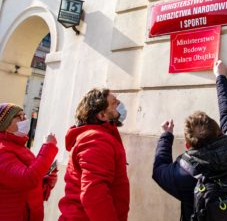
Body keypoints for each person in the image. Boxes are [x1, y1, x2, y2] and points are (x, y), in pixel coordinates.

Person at [152, 60, 227, 221]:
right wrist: (220, 78)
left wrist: (166, 136)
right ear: (219, 130)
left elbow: (159, 170)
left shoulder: (181, 173)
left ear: (187, 145)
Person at [58, 88, 130, 221]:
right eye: (114, 103)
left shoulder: (101, 136)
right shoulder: (96, 140)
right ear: (102, 115)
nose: (120, 105)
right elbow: (94, 194)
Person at [0, 103, 58, 221]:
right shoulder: (2, 151)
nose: (24, 120)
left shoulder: (21, 148)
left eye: (24, 115)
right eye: (19, 117)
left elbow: (31, 188)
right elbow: (26, 179)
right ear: (4, 124)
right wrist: (48, 147)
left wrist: (47, 182)